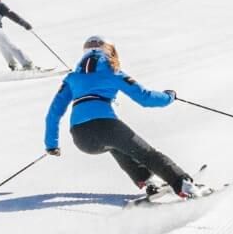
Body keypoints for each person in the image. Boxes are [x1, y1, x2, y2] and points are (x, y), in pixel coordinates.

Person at [43, 36, 202, 199]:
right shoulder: (112, 72)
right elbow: (145, 98)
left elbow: (54, 112)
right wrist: (169, 96)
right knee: (147, 154)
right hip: (106, 126)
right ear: (110, 52)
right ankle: (184, 185)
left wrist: (51, 144)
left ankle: (146, 180)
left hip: (81, 137)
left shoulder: (72, 78)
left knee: (116, 146)